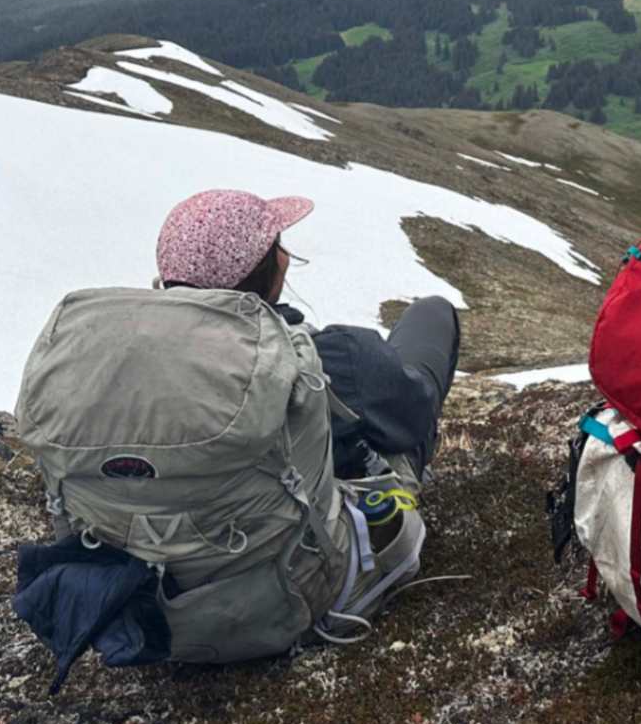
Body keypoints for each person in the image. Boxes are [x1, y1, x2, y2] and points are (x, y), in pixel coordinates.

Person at [152, 188, 463, 563]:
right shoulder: (334, 357)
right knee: (432, 315)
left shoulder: (131, 365)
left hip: (165, 564)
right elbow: (412, 416)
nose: (284, 255)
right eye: (277, 246)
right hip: (297, 575)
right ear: (268, 270)